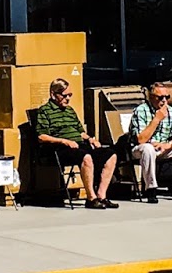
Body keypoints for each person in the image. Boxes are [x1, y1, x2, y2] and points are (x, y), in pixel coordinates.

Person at [32, 77, 117, 208]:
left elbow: (80, 131)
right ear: (53, 94)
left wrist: (90, 139)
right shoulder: (45, 111)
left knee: (110, 155)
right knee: (86, 157)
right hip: (59, 148)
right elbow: (41, 136)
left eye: (70, 95)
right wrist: (64, 141)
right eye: (64, 95)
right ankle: (91, 198)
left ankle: (102, 195)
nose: (68, 98)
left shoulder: (70, 111)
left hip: (79, 145)